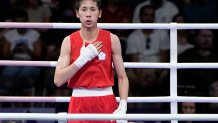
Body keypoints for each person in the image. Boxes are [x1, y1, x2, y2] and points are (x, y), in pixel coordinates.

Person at [54, 0, 129, 123]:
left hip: (107, 101)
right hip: (79, 103)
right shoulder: (68, 41)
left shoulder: (112, 39)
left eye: (92, 9)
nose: (88, 14)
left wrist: (123, 104)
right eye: (84, 9)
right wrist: (82, 59)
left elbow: (122, 77)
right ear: (77, 13)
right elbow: (58, 80)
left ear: (99, 13)